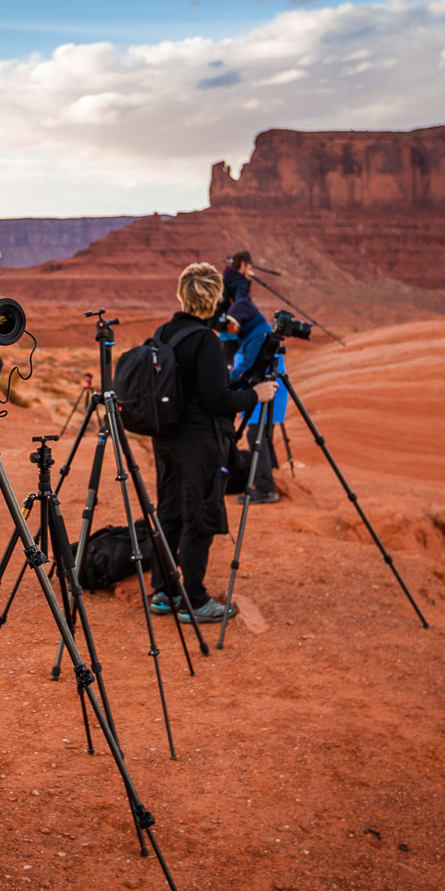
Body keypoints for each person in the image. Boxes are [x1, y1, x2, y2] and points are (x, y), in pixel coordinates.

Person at [147, 263, 278, 623]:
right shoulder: (205, 340)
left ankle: (163, 593)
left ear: (182, 293)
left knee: (170, 512)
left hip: (166, 437)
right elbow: (217, 399)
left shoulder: (165, 331)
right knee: (200, 516)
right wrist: (257, 395)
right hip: (198, 441)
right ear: (215, 297)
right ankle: (195, 599)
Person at [222, 251, 283, 503]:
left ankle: (266, 488)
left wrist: (226, 379)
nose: (233, 329)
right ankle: (273, 475)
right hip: (267, 387)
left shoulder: (257, 335)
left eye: (235, 324)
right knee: (262, 434)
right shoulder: (255, 331)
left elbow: (245, 367)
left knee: (254, 434)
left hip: (266, 389)